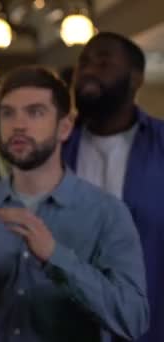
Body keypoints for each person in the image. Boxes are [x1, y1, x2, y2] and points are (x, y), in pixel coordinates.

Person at [0, 66, 148, 341]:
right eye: (8, 112)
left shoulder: (107, 213)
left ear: (65, 127)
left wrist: (55, 257)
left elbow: (133, 319)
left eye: (35, 112)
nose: (18, 124)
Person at [63, 32, 164, 342]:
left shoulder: (161, 144)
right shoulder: (56, 147)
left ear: (136, 78)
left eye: (103, 62)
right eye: (84, 63)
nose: (89, 71)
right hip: (67, 322)